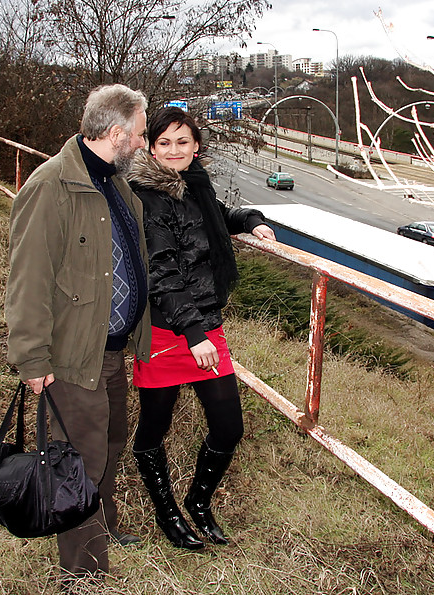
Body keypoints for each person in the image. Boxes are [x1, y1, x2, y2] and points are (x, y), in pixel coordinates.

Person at [4, 84, 152, 586]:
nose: (143, 143)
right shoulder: (51, 187)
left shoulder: (115, 184)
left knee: (109, 445)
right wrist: (32, 359)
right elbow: (28, 279)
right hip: (70, 357)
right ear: (115, 133)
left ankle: (103, 529)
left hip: (109, 353)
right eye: (139, 134)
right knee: (83, 462)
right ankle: (84, 573)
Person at [126, 106, 275, 550]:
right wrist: (193, 335)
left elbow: (216, 217)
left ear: (196, 147)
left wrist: (251, 221)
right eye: (165, 142)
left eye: (183, 142)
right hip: (167, 330)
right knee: (154, 427)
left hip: (203, 323)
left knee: (228, 426)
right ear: (151, 148)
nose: (174, 150)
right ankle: (167, 513)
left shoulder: (196, 185)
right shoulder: (145, 195)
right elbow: (161, 270)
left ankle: (198, 501)